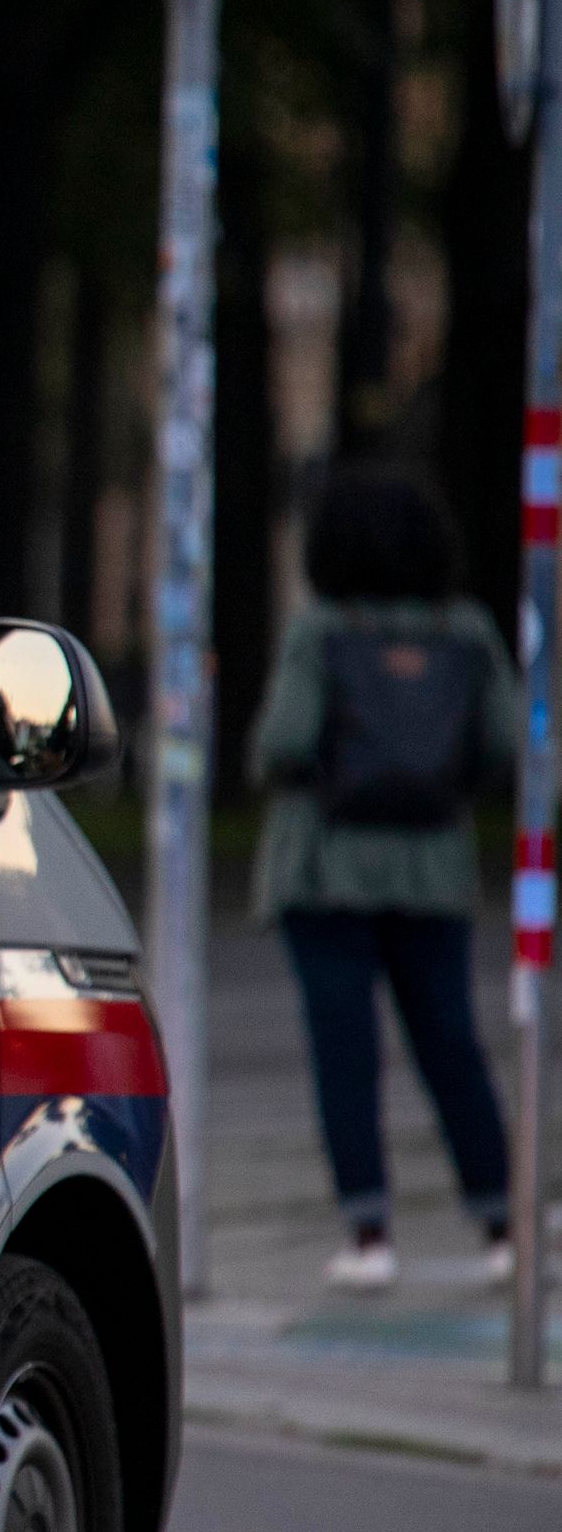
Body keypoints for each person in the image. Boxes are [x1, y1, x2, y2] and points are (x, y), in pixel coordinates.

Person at [251, 467, 523, 1290]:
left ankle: (370, 1233)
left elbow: (283, 742)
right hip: (434, 868)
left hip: (325, 867)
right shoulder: (467, 632)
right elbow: (508, 746)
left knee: (347, 1052)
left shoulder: (322, 628)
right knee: (452, 1042)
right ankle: (503, 1218)